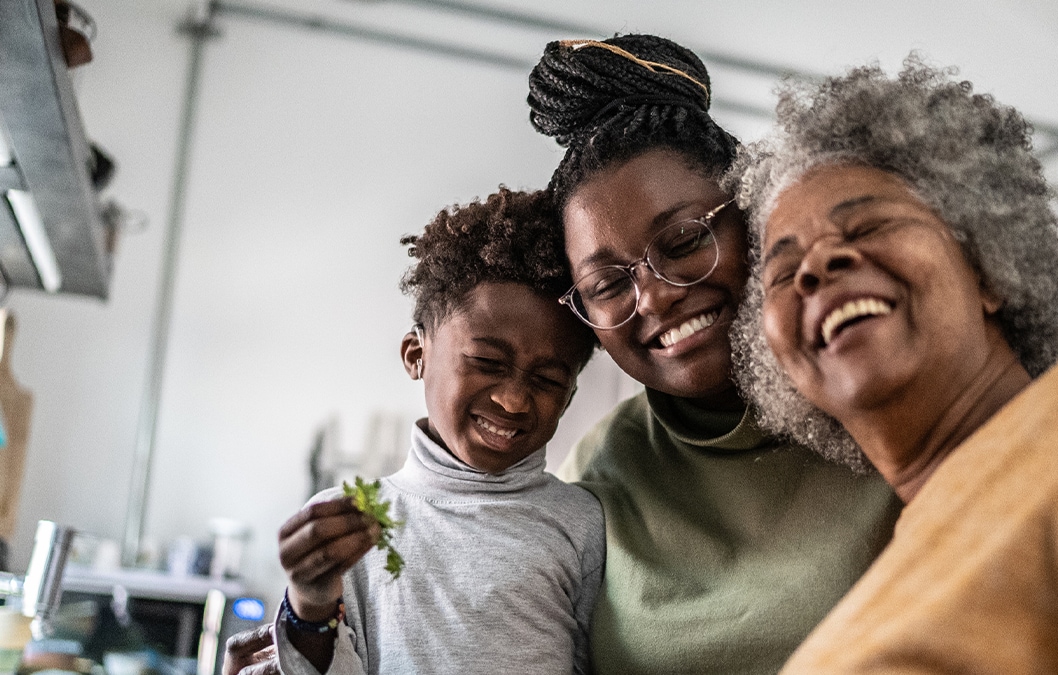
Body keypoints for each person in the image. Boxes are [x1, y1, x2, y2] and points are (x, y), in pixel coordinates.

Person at [729, 58, 1058, 672]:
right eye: (784, 273)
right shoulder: (870, 597)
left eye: (868, 224)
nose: (818, 267)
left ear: (987, 267)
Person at [525, 35, 901, 674]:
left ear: (754, 215)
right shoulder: (595, 475)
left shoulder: (888, 410)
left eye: (683, 241)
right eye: (609, 285)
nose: (654, 298)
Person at [271, 188, 604, 674]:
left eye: (548, 381)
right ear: (416, 355)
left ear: (570, 395)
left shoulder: (583, 525)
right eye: (487, 363)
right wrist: (309, 604)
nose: (513, 400)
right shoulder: (349, 525)